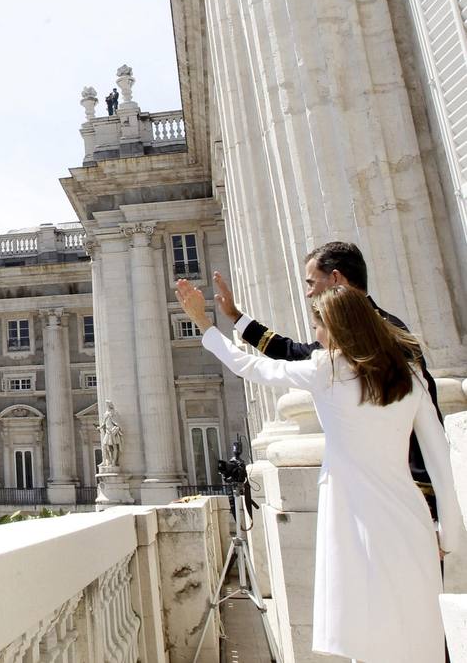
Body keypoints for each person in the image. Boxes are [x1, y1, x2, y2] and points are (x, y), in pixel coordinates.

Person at [176, 278, 463, 662]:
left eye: (318, 326)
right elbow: (441, 458)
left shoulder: (325, 370)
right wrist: (449, 534)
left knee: (368, 636)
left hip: (354, 519)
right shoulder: (410, 375)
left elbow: (249, 366)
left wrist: (203, 323)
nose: (316, 336)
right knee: (421, 634)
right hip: (412, 521)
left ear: (338, 327)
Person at [212, 240, 444, 514]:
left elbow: (422, 419)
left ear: (335, 278)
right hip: (365, 493)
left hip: (401, 491)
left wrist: (427, 494)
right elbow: (292, 352)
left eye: (311, 282)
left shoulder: (384, 335)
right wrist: (236, 317)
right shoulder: (353, 336)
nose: (309, 293)